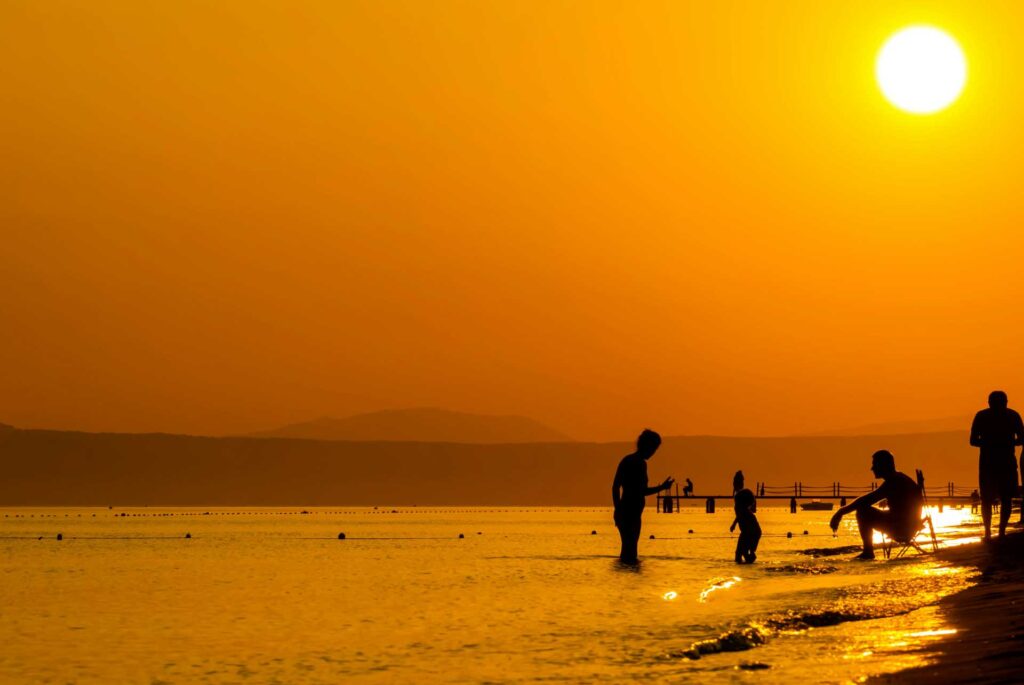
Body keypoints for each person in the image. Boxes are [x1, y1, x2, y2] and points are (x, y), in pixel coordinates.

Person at [829, 450, 923, 560]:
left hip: (902, 529)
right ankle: (867, 551)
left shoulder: (894, 481)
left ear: (884, 465)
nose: (872, 468)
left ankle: (868, 552)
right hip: (906, 525)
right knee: (864, 508)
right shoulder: (899, 478)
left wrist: (841, 512)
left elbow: (867, 500)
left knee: (863, 511)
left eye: (874, 464)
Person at [611, 429, 674, 564]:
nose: (653, 453)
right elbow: (641, 491)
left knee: (628, 549)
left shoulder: (627, 460)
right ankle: (629, 579)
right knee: (631, 550)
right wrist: (662, 488)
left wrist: (617, 509)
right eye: (653, 449)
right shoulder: (639, 463)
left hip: (626, 511)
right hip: (630, 513)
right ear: (647, 446)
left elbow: (616, 486)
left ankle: (625, 578)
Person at [970, 390, 1023, 540]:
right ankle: (995, 532)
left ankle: (995, 532)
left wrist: (992, 443)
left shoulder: (984, 416)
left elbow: (973, 441)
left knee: (996, 498)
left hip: (994, 462)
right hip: (997, 462)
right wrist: (1004, 443)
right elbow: (973, 440)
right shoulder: (1011, 416)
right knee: (995, 498)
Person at [730, 472, 761, 563]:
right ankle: (749, 567)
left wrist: (734, 525)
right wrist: (734, 524)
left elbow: (740, 514)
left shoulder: (740, 500)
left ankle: (750, 571)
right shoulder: (742, 506)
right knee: (739, 555)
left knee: (741, 554)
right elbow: (740, 514)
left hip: (750, 531)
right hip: (749, 531)